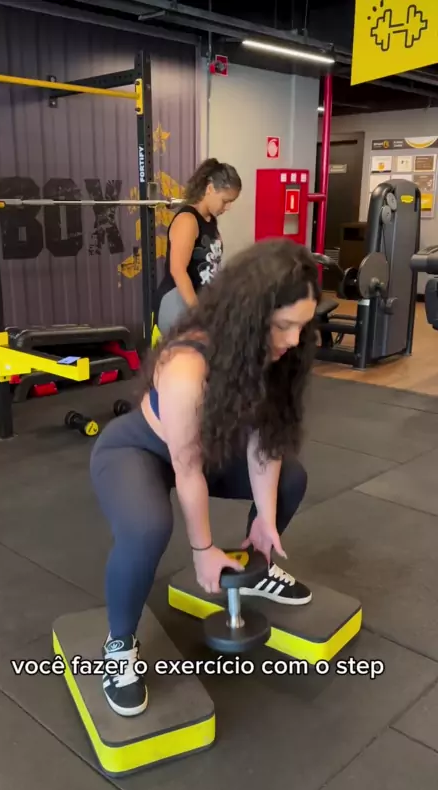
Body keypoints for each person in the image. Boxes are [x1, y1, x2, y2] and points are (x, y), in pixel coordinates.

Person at [90, 238, 320, 717]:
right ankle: (118, 647)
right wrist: (203, 550)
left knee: (289, 480)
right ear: (249, 316)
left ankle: (257, 569)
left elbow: (265, 440)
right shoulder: (186, 366)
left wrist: (266, 521)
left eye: (302, 325)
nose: (294, 340)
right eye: (283, 326)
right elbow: (187, 467)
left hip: (206, 449)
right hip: (138, 450)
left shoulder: (274, 355)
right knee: (148, 528)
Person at [154, 158, 242, 336]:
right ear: (210, 189)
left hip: (199, 304)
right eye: (225, 201)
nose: (228, 207)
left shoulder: (210, 220)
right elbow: (178, 270)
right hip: (178, 302)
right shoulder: (188, 220)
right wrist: (197, 312)